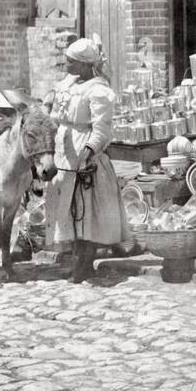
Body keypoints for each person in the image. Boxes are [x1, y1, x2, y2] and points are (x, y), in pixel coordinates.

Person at [42, 38, 130, 282]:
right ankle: (75, 260)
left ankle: (85, 264)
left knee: (85, 209)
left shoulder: (98, 90)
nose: (66, 64)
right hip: (63, 151)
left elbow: (102, 129)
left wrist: (89, 153)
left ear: (83, 65)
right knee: (67, 208)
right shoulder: (70, 83)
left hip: (84, 154)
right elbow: (56, 97)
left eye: (70, 61)